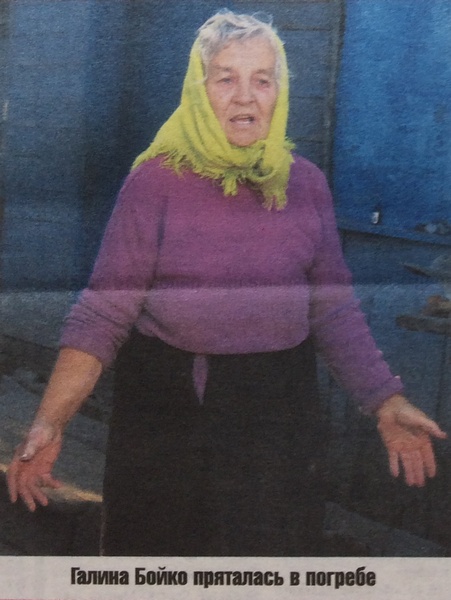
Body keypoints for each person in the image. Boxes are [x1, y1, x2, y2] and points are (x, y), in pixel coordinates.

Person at [6, 11, 447, 556]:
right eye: (225, 78)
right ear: (199, 89)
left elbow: (333, 310)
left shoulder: (304, 184)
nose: (245, 97)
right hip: (164, 406)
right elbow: (102, 313)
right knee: (153, 562)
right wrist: (49, 423)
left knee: (270, 563)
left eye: (262, 79)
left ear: (279, 92)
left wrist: (384, 399)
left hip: (276, 407)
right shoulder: (155, 182)